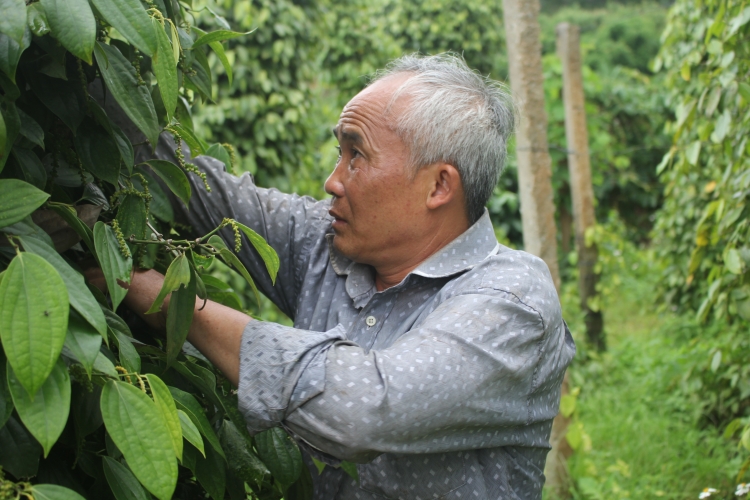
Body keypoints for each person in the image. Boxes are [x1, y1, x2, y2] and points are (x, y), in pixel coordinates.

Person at [121, 53, 575, 499]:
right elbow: (198, 189)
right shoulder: (329, 243)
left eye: (356, 155)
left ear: (438, 186)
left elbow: (364, 411)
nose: (332, 181)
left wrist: (165, 299)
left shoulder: (513, 302)